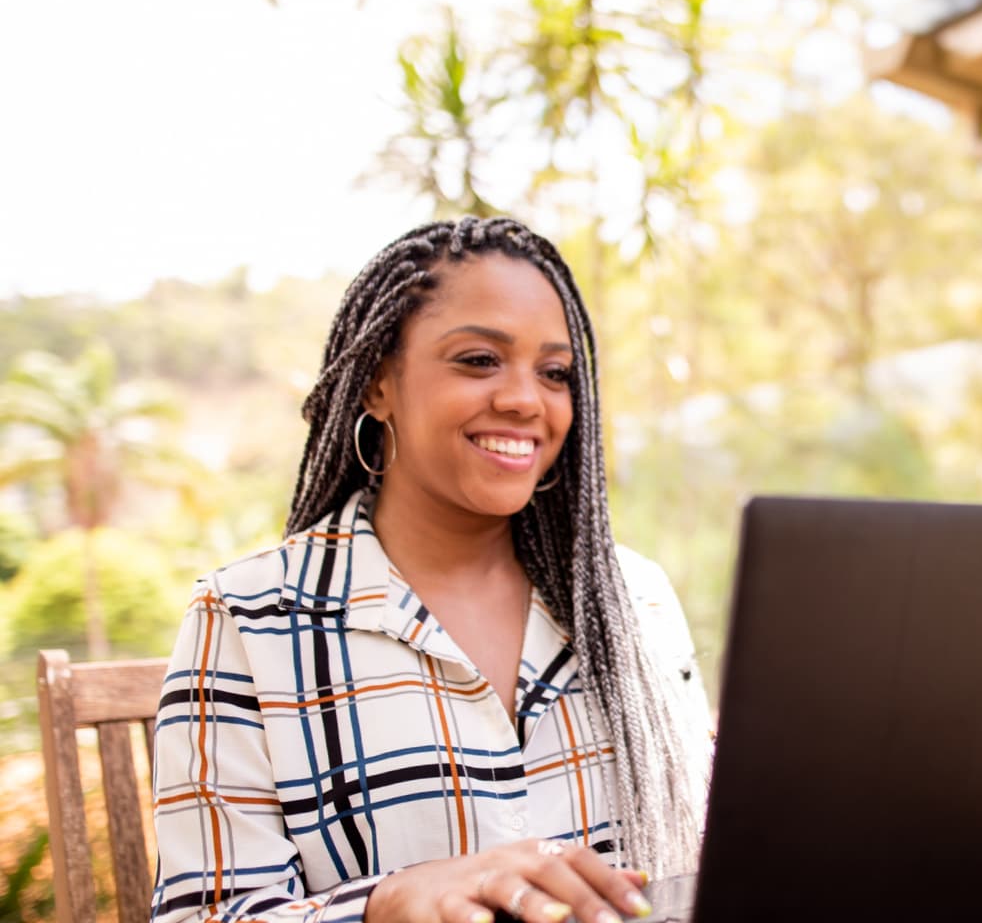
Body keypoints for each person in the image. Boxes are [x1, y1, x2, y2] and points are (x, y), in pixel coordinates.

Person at [149, 218, 712, 923]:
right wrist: (385, 903)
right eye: (479, 360)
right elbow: (205, 914)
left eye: (556, 373)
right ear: (378, 384)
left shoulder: (637, 602)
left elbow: (708, 853)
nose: (525, 400)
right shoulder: (248, 619)